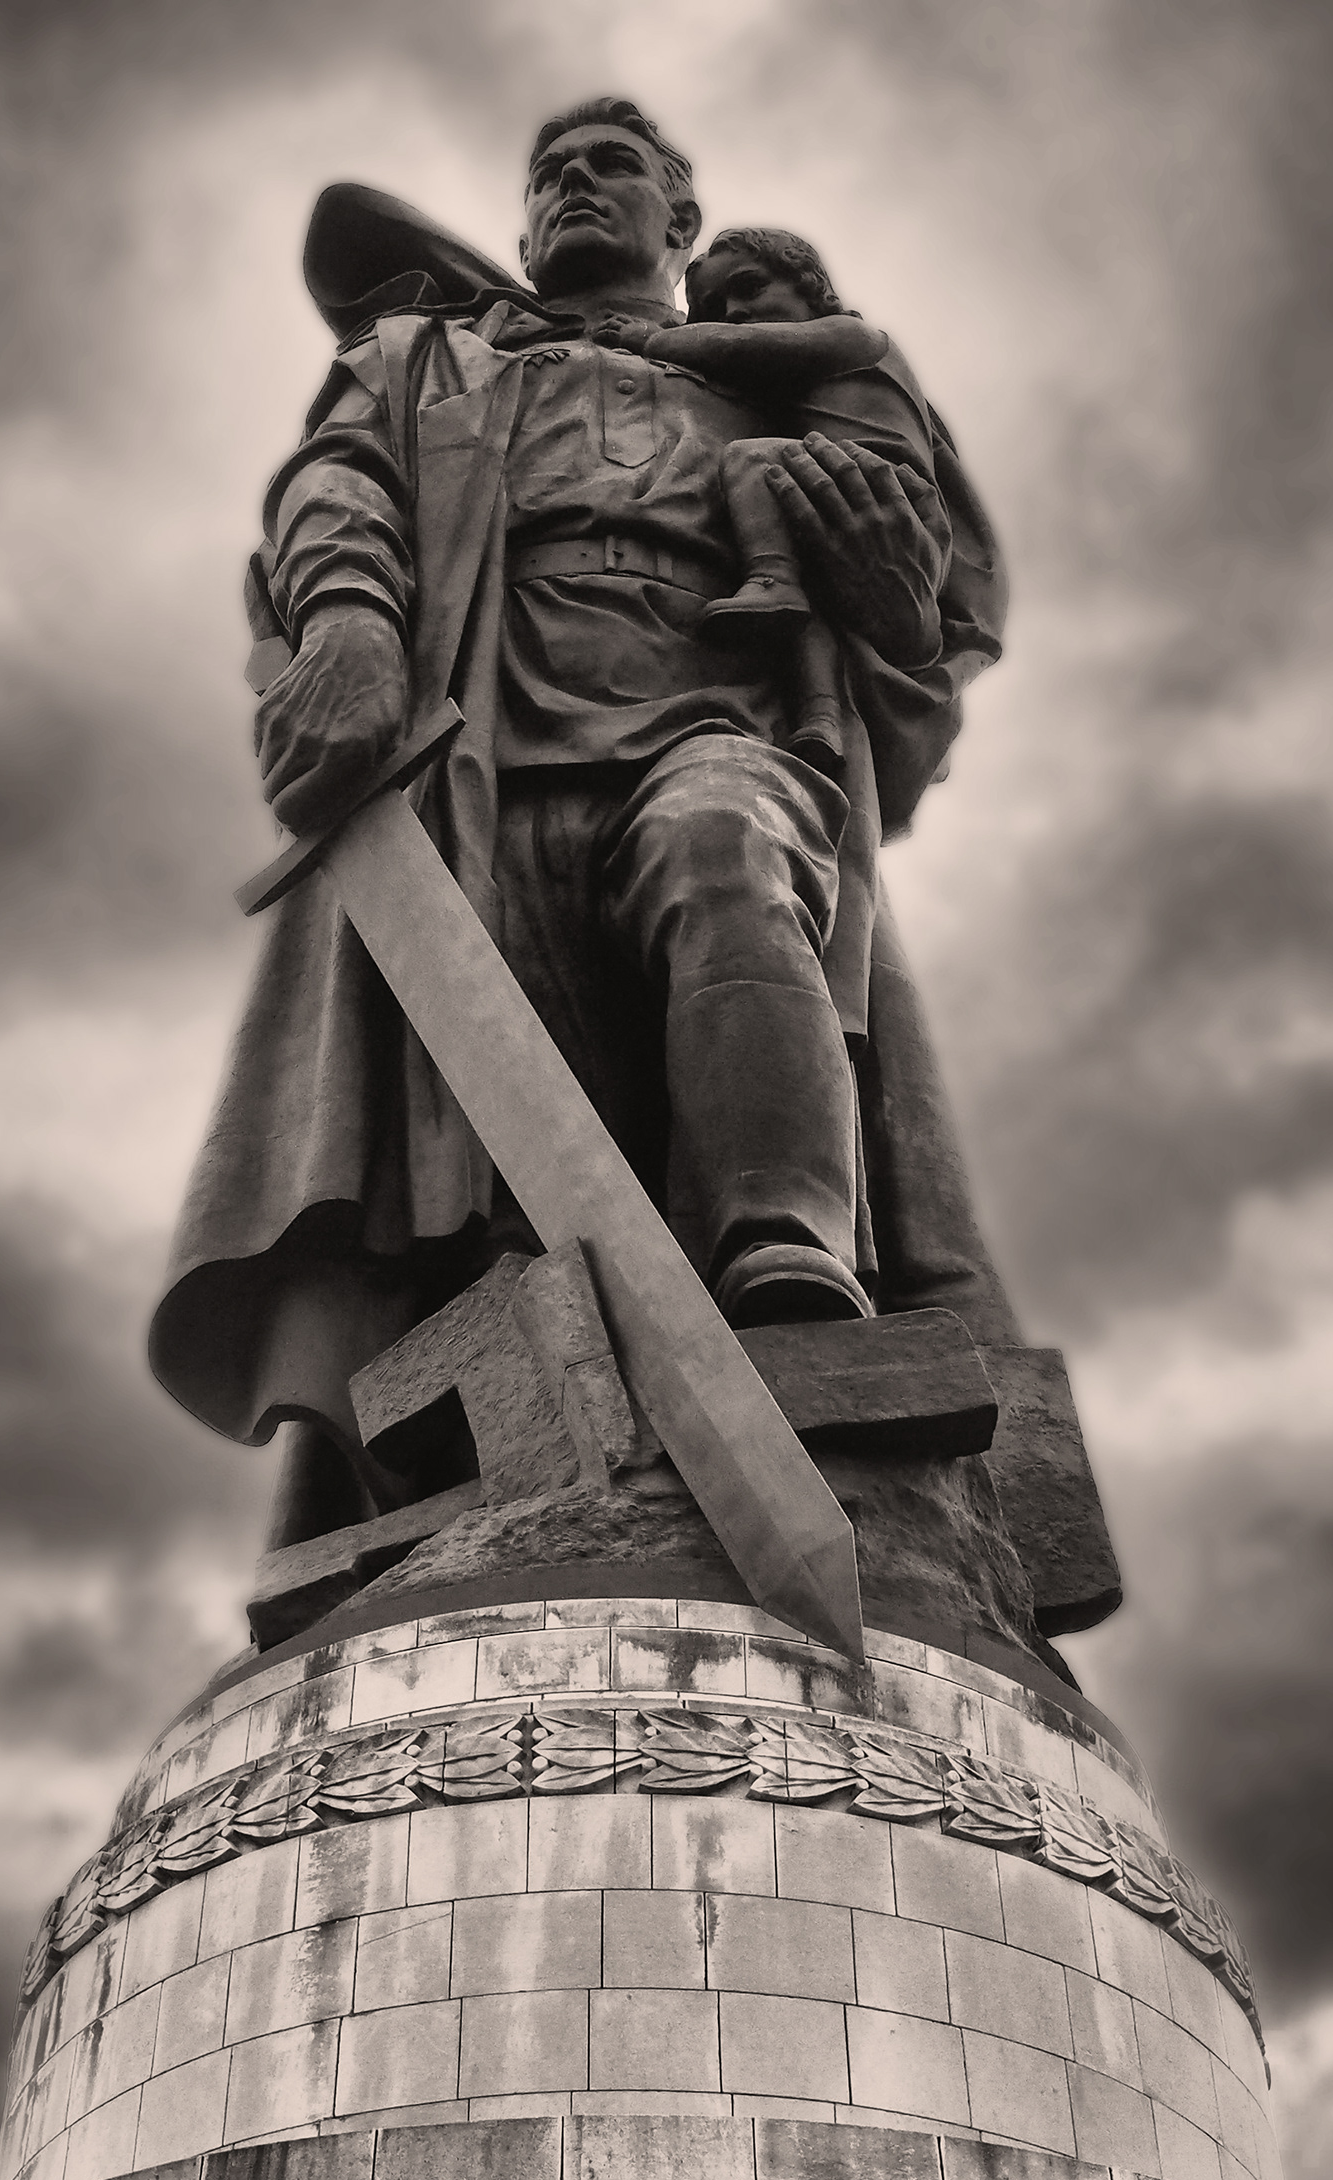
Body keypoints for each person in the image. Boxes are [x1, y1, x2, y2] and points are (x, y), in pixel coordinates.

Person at [150, 100, 1022, 1548]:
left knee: (726, 854)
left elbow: (922, 613)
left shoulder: (774, 375)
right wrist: (354, 618)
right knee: (490, 1147)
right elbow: (333, 483)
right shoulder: (429, 356)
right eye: (548, 172)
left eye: (610, 167)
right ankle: (508, 1466)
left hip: (723, 721)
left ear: (682, 222)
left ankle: (788, 1263)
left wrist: (887, 602)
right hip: (478, 754)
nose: (570, 186)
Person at [596, 226, 963, 776]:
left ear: (812, 288)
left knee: (749, 461)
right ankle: (819, 722)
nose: (736, 312)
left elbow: (741, 350)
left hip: (876, 492)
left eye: (750, 288)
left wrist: (652, 340)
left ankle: (772, 576)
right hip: (830, 490)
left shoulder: (854, 338)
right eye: (715, 307)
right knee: (805, 616)